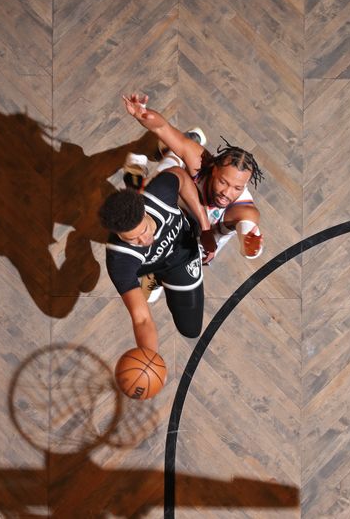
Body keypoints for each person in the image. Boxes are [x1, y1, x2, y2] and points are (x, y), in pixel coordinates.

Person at [121, 93, 265, 263]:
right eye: (223, 182)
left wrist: (251, 247)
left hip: (195, 239)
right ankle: (165, 157)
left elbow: (248, 231)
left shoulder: (243, 210)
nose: (227, 192)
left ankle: (178, 147)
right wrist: (143, 115)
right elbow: (162, 128)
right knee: (164, 180)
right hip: (176, 199)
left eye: (237, 188)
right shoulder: (202, 162)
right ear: (213, 170)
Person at [99, 166, 217, 352]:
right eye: (133, 239)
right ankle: (155, 276)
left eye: (144, 230)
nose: (144, 240)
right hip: (142, 264)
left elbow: (180, 174)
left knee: (191, 329)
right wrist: (149, 357)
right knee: (129, 274)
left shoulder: (159, 193)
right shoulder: (119, 260)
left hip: (182, 255)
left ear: (144, 212)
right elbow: (141, 319)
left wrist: (206, 227)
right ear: (118, 234)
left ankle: (156, 163)